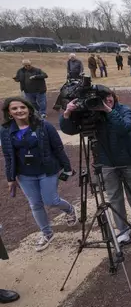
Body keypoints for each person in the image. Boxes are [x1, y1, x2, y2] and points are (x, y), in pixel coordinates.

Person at [60, 89, 131, 243]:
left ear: (113, 96)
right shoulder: (91, 115)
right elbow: (70, 130)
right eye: (103, 98)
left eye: (109, 96)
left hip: (129, 158)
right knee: (114, 197)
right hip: (106, 161)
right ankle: (123, 229)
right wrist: (68, 113)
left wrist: (107, 110)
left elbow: (124, 128)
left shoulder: (124, 109)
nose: (107, 99)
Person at [1, 97, 77, 252]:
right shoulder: (5, 130)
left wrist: (67, 168)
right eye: (14, 109)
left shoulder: (44, 126)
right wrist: (10, 178)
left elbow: (58, 148)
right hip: (24, 175)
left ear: (29, 108)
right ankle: (47, 233)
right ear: (9, 112)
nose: (19, 111)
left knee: (51, 200)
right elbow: (8, 156)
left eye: (22, 107)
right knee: (35, 204)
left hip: (47, 171)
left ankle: (69, 209)